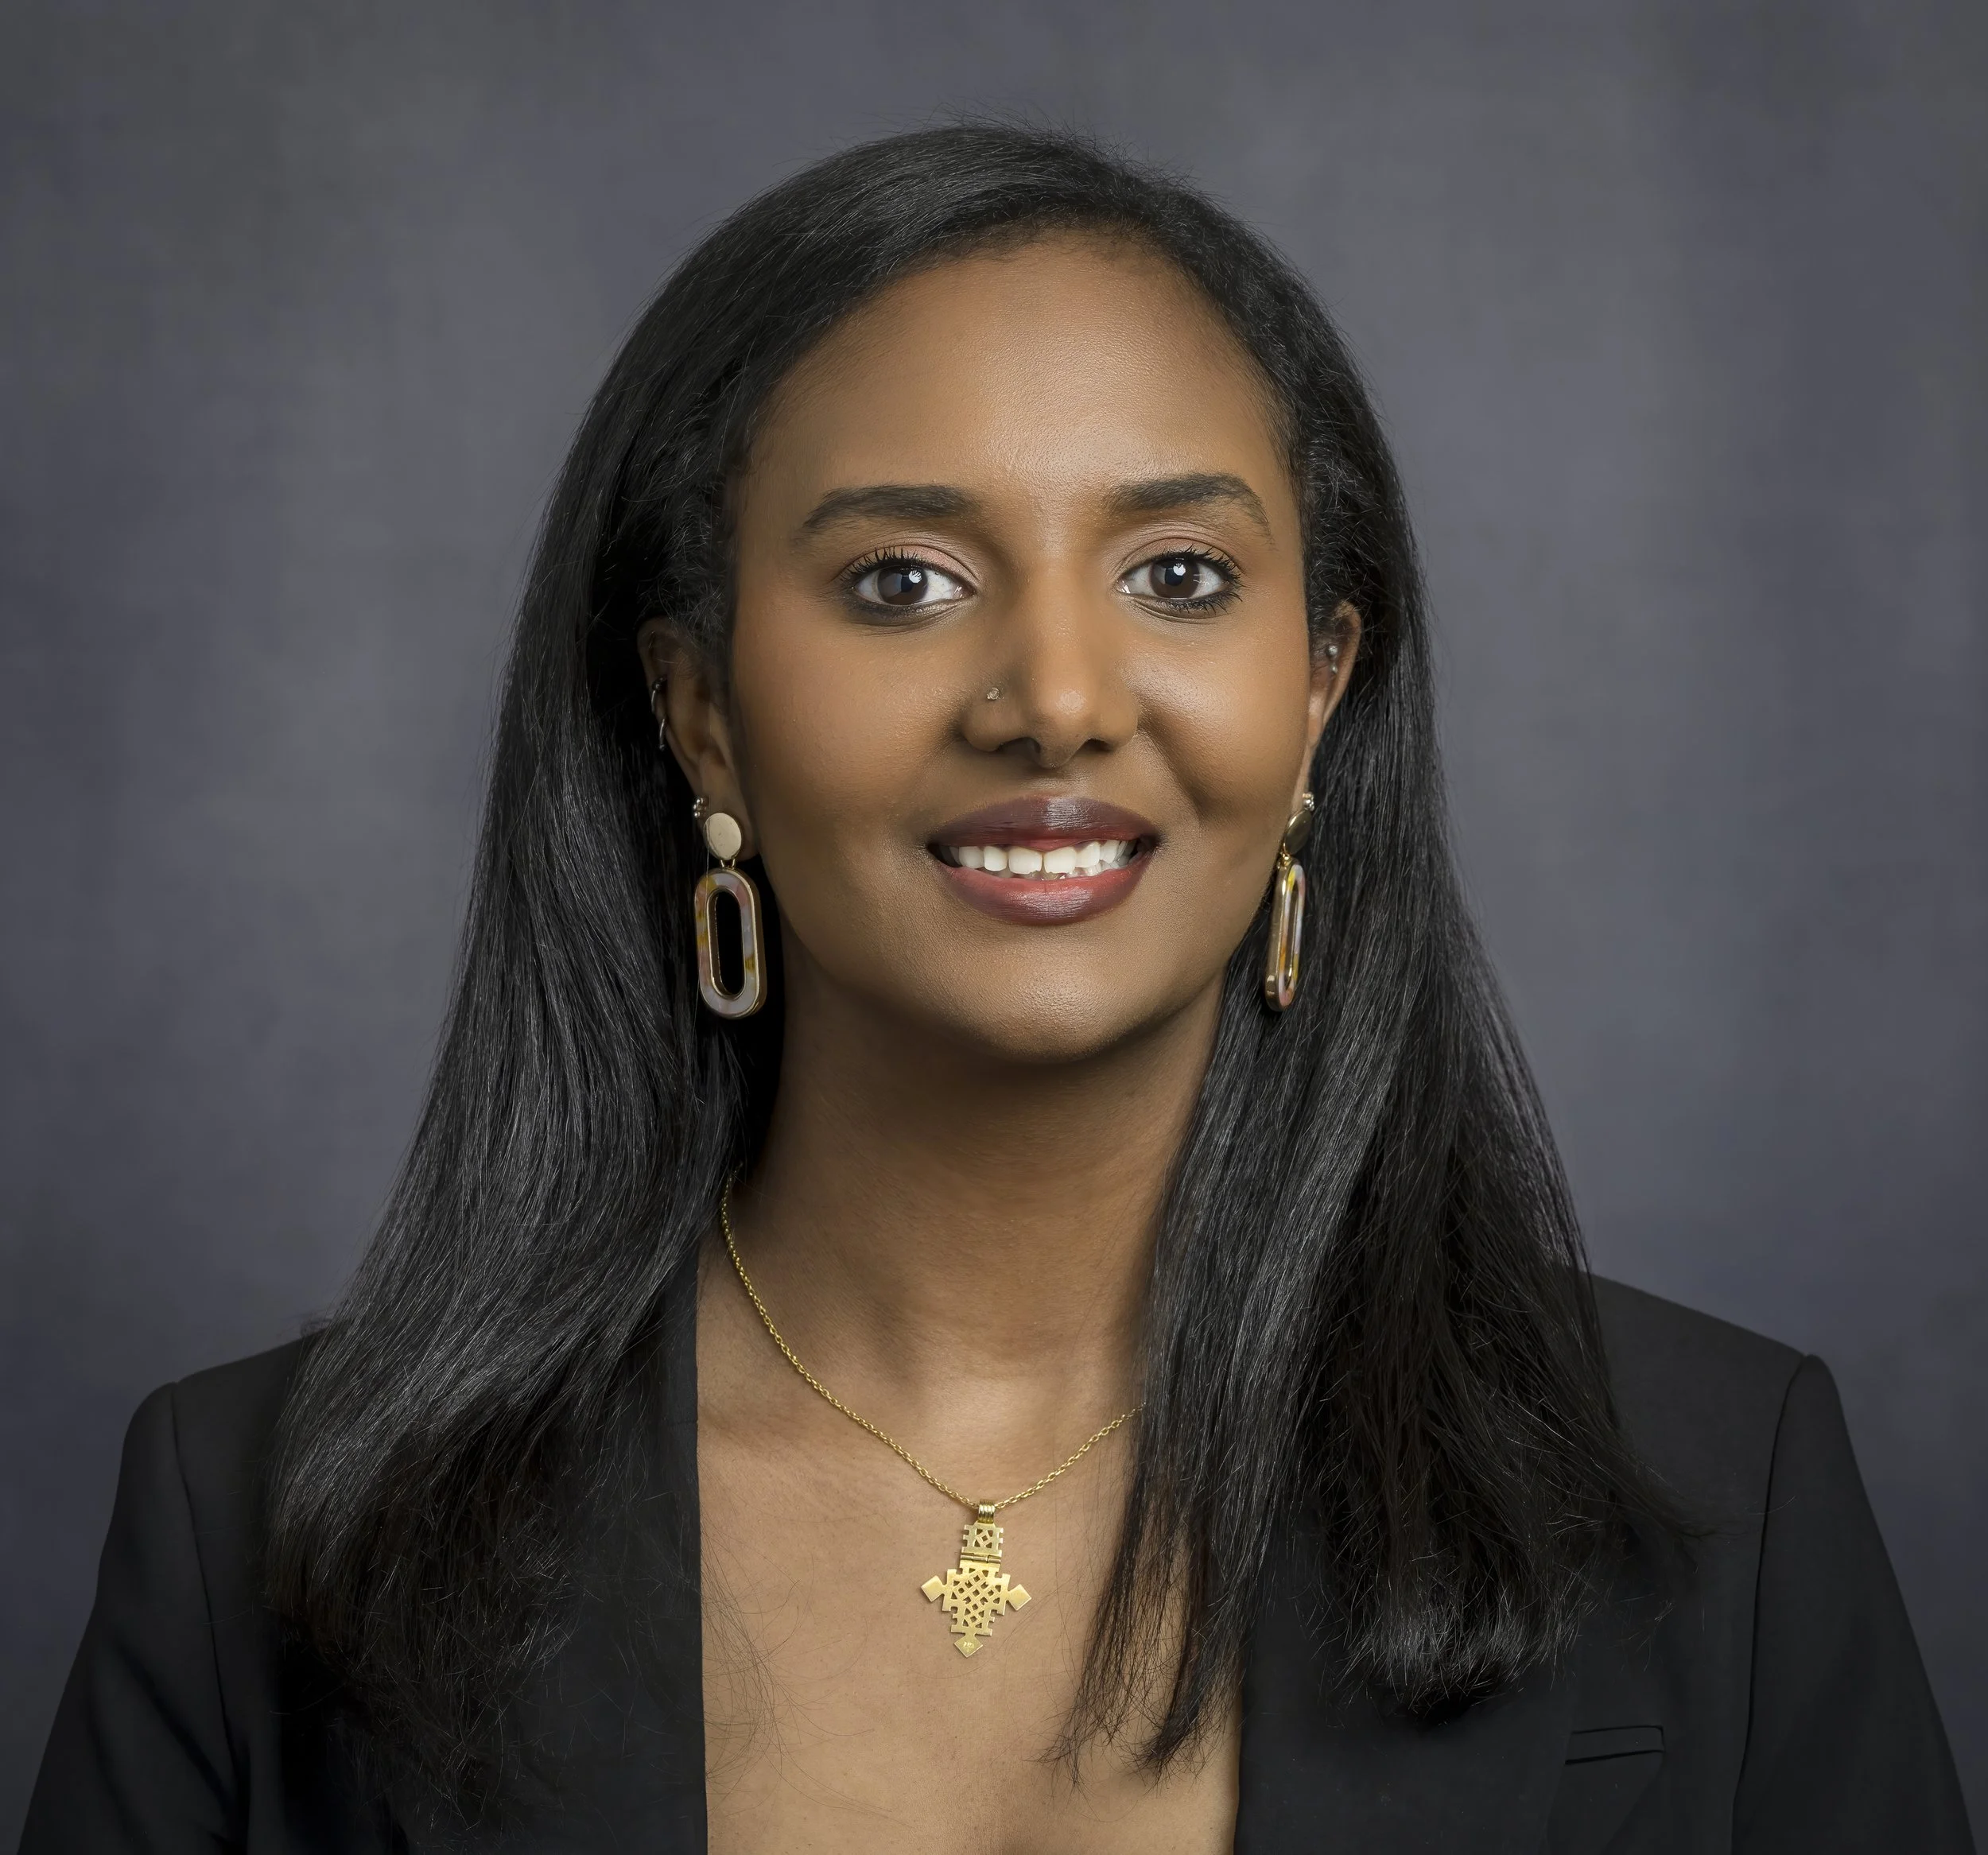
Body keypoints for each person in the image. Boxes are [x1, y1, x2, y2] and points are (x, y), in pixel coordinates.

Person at [21, 124, 1971, 1855]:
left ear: (1320, 690)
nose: (1053, 693)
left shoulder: (1717, 1489)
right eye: (902, 581)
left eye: (1180, 574)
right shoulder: (262, 1518)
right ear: (699, 715)